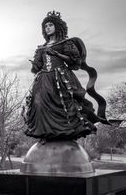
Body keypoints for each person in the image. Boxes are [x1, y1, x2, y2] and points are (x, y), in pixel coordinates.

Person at [24, 11, 113, 140]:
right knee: (38, 103)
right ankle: (46, 134)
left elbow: (75, 63)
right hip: (43, 80)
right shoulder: (41, 48)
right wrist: (35, 65)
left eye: (50, 25)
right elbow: (36, 68)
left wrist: (57, 55)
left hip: (61, 78)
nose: (47, 28)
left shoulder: (66, 43)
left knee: (65, 104)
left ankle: (65, 134)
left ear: (57, 26)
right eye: (45, 26)